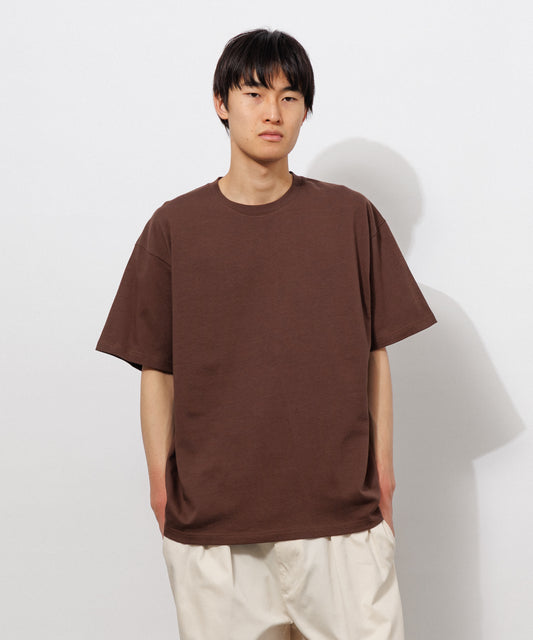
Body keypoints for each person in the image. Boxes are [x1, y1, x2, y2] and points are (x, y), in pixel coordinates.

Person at [95, 27, 437, 640]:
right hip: (216, 528)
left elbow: (374, 356)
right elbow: (156, 368)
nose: (272, 112)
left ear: (305, 110)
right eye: (254, 93)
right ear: (221, 103)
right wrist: (160, 487)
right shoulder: (174, 228)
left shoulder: (350, 218)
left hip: (340, 520)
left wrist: (383, 479)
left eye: (289, 97)